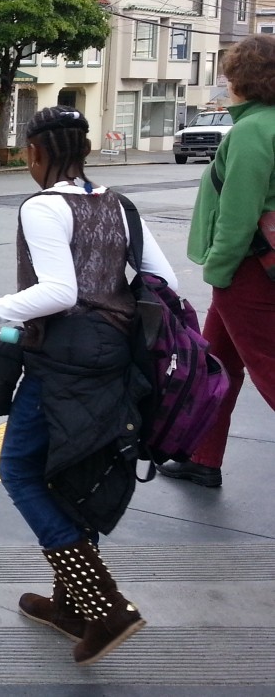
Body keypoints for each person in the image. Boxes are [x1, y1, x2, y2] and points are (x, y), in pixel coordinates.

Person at [0, 107, 178, 665]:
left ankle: (105, 606)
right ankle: (71, 607)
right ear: (84, 151)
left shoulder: (44, 207)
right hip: (114, 357)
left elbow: (58, 293)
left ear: (35, 153)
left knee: (19, 470)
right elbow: (166, 282)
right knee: (70, 471)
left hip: (62, 361)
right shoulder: (121, 206)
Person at [160, 34, 275, 487]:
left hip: (248, 271)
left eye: (230, 76)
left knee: (268, 367)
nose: (226, 84)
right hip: (261, 268)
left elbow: (237, 216)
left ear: (243, 80)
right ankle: (202, 457)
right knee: (216, 365)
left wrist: (219, 271)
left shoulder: (252, 131)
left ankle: (202, 457)